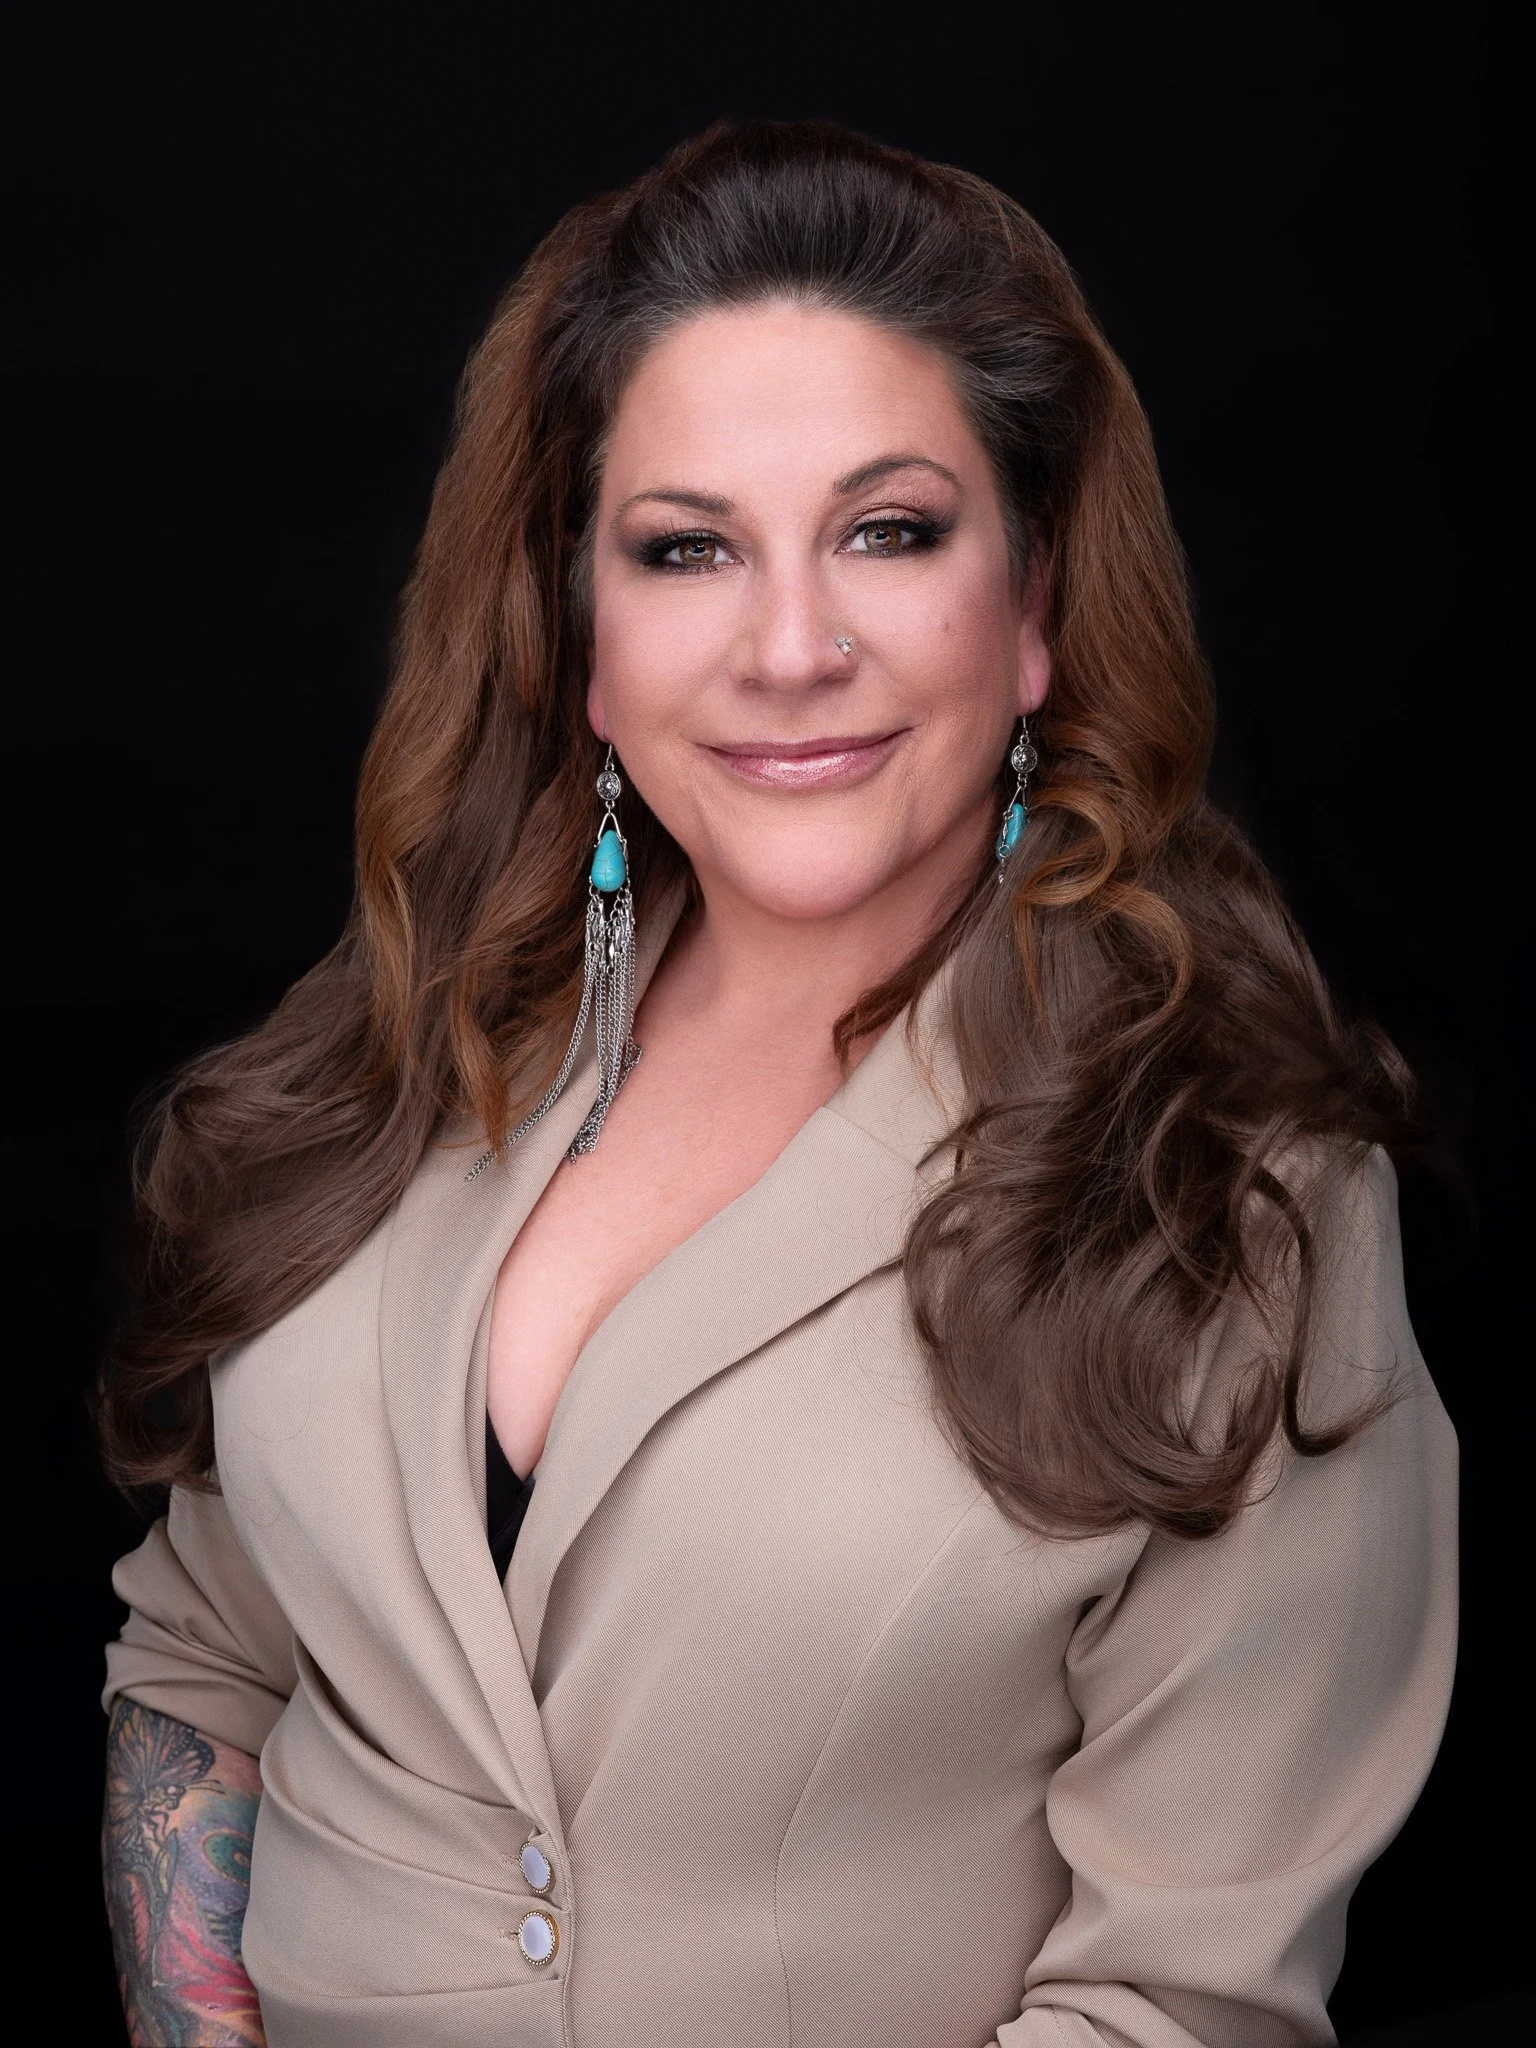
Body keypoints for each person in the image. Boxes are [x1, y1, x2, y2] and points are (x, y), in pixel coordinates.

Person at [98, 120, 1456, 2048]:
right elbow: (208, 1653)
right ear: (583, 629)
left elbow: (1177, 2001)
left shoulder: (1233, 1183)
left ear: (1039, 600)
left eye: (889, 532)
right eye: (687, 549)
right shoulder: (411, 1047)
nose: (791, 646)